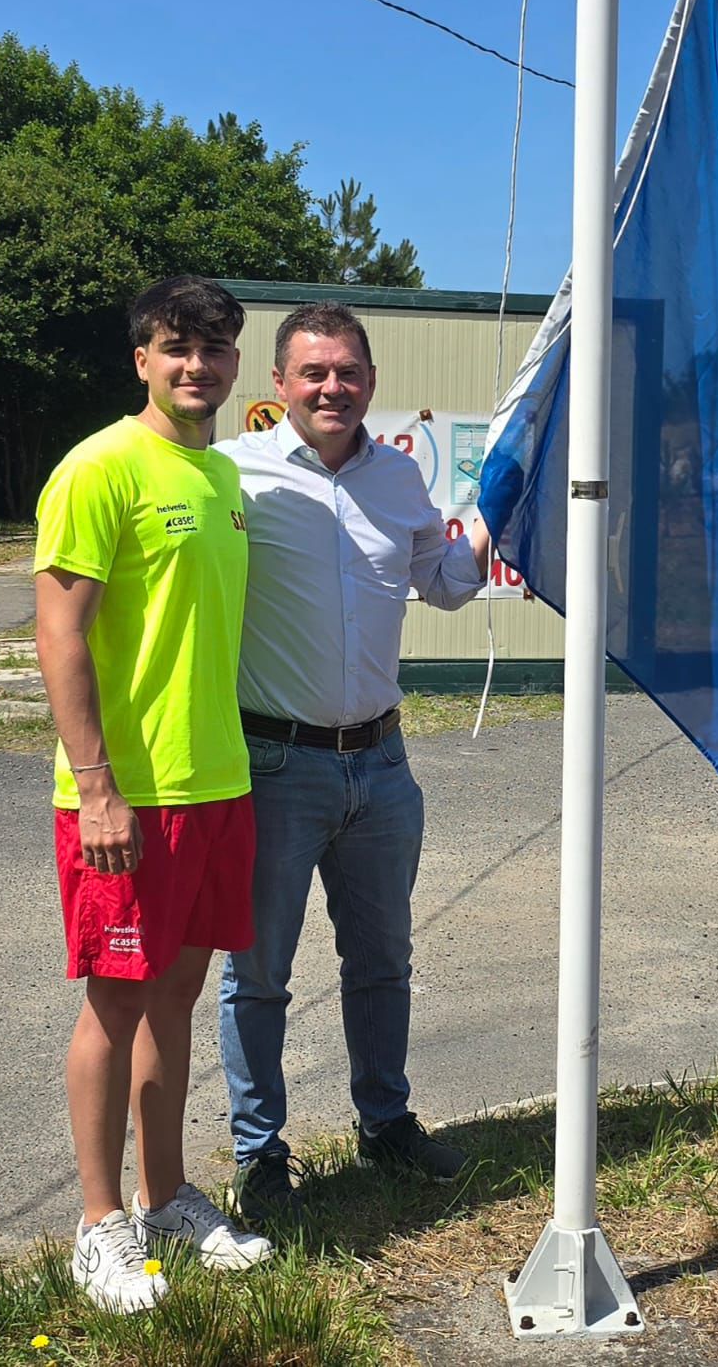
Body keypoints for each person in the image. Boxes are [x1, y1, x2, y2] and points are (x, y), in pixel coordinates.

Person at [216, 302, 493, 1226]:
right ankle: (261, 1159)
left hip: (381, 766)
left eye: (347, 371)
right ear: (279, 386)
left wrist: (494, 507)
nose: (332, 387)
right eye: (313, 373)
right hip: (274, 765)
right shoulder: (233, 478)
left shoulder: (401, 484)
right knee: (257, 975)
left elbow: (447, 590)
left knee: (381, 961)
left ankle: (386, 1123)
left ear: (370, 381)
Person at [33, 276, 273, 1315]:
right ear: (141, 358)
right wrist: (97, 787)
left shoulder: (220, 475)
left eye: (215, 348)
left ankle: (166, 1195)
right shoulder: (98, 468)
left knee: (175, 998)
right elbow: (59, 632)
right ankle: (99, 1225)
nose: (197, 366)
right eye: (177, 347)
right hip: (127, 796)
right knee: (115, 1000)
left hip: (217, 783)